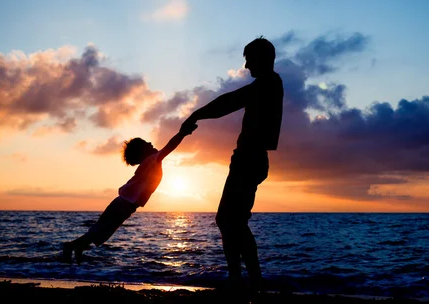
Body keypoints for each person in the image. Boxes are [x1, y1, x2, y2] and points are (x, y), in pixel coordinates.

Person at [181, 36, 284, 297]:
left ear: (262, 59)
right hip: (248, 159)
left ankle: (243, 280)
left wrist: (195, 114)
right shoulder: (267, 85)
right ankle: (247, 279)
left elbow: (229, 101)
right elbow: (232, 100)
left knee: (229, 220)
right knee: (233, 221)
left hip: (250, 160)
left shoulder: (269, 83)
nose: (247, 66)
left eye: (249, 60)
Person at [61, 123, 198, 264]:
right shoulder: (151, 160)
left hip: (123, 204)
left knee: (101, 231)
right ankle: (71, 246)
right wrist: (182, 133)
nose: (151, 143)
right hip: (123, 204)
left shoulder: (150, 162)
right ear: (142, 153)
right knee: (100, 230)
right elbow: (170, 146)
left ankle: (77, 247)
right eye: (146, 143)